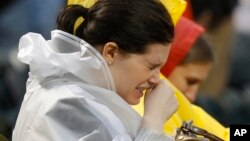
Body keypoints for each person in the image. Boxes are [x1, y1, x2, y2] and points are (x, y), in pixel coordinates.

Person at [12, 0, 179, 141]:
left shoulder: (78, 94)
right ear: (111, 52)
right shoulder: (68, 104)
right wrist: (154, 121)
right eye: (151, 67)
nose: (156, 79)